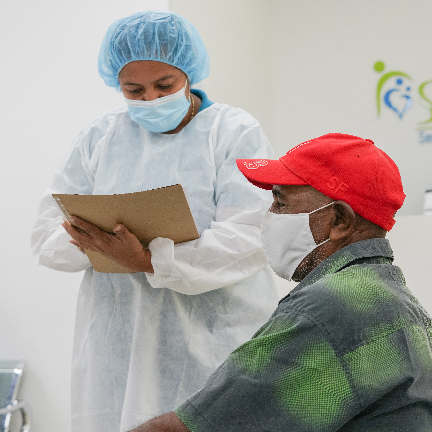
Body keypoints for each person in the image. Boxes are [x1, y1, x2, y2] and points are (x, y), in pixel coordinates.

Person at [31, 10, 278, 432]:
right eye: (134, 90)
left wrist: (149, 260)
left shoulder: (232, 130)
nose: (151, 99)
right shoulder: (99, 138)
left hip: (212, 337)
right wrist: (92, 239)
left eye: (165, 86)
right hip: (116, 344)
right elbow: (46, 234)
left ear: (188, 72)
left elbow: (250, 235)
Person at [130, 133, 432, 432]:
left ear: (339, 221)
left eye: (280, 203)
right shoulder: (395, 298)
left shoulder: (326, 308)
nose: (269, 216)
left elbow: (193, 428)